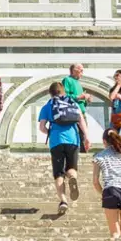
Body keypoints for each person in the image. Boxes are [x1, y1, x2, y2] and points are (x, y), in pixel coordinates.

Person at [37, 78, 85, 216]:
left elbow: (41, 127)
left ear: (50, 93)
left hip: (56, 141)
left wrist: (50, 133)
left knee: (58, 173)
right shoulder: (72, 103)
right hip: (73, 139)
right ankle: (72, 177)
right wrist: (86, 137)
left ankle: (63, 200)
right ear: (63, 91)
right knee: (71, 168)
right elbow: (81, 121)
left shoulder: (48, 106)